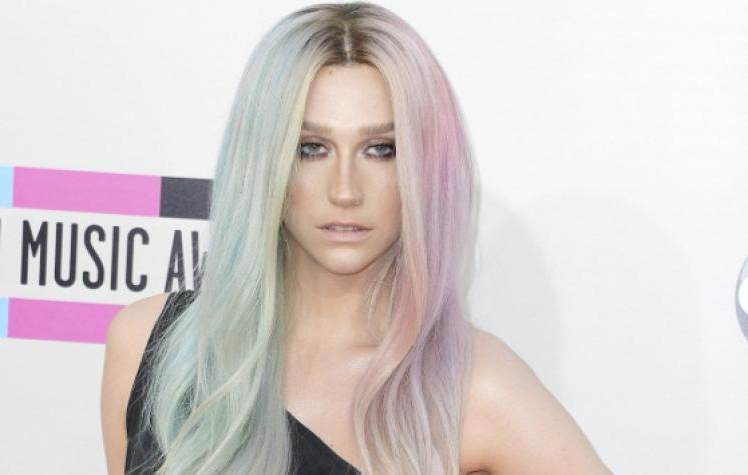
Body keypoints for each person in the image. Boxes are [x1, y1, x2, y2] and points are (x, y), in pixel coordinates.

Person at [101, 2, 612, 474]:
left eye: (381, 149)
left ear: (424, 167)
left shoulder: (475, 391)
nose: (345, 190)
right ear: (262, 160)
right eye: (311, 148)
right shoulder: (151, 347)